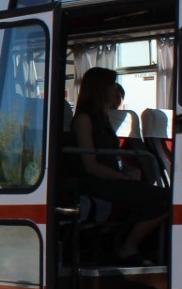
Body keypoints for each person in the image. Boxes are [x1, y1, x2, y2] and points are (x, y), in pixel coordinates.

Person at [69, 66, 169, 265]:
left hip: (109, 178)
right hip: (93, 181)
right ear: (100, 88)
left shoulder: (103, 118)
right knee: (164, 199)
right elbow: (90, 165)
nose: (116, 90)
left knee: (160, 196)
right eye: (112, 85)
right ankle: (128, 247)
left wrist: (129, 170)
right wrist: (123, 178)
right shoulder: (83, 119)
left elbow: (112, 158)